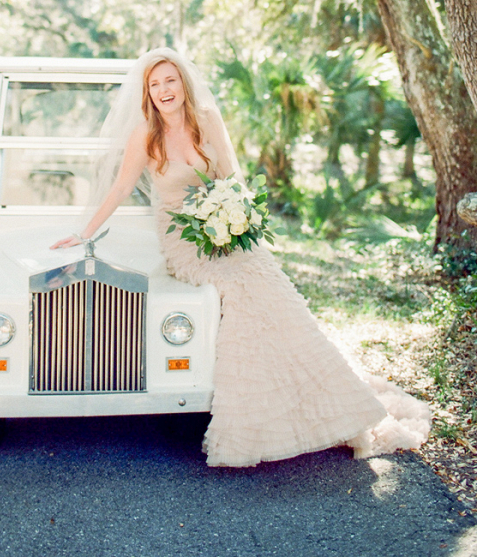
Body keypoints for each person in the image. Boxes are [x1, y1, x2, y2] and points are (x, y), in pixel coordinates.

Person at [51, 48, 430, 468]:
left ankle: (321, 401)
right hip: (184, 240)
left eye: (170, 81)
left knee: (271, 284)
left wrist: (238, 221)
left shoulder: (207, 118)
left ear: (183, 84)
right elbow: (120, 188)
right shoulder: (145, 134)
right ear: (148, 93)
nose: (163, 90)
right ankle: (258, 415)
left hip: (225, 229)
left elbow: (231, 178)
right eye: (155, 85)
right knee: (239, 290)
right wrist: (83, 232)